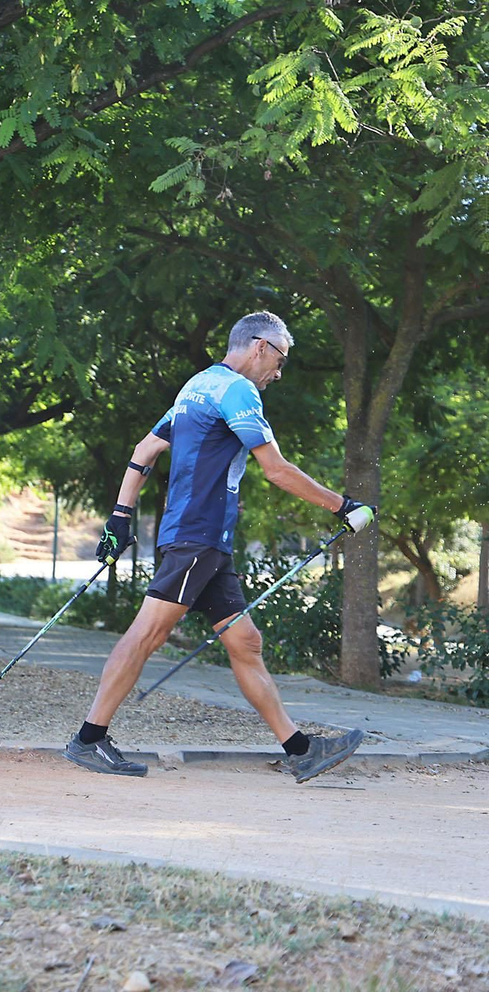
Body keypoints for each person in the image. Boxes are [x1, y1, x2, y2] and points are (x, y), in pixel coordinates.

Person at [63, 311, 375, 783]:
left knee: (245, 642)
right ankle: (88, 739)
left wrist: (121, 517)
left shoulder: (197, 386)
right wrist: (342, 505)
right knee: (147, 634)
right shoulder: (237, 391)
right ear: (259, 347)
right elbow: (276, 469)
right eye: (279, 359)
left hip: (206, 541)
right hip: (197, 536)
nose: (279, 372)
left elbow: (145, 450)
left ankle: (300, 750)